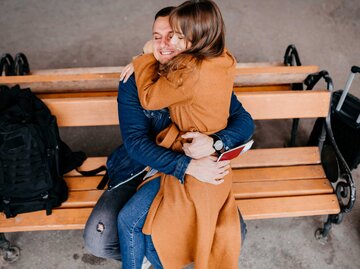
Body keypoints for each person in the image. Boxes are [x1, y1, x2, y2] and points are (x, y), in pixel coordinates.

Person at [83, 4, 254, 266]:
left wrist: (215, 142)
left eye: (174, 35)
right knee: (101, 239)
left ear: (191, 39)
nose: (165, 44)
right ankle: (153, 251)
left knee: (231, 233)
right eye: (156, 37)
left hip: (198, 168)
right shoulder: (134, 79)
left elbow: (244, 122)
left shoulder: (200, 72)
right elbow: (136, 144)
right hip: (143, 167)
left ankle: (159, 248)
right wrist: (187, 166)